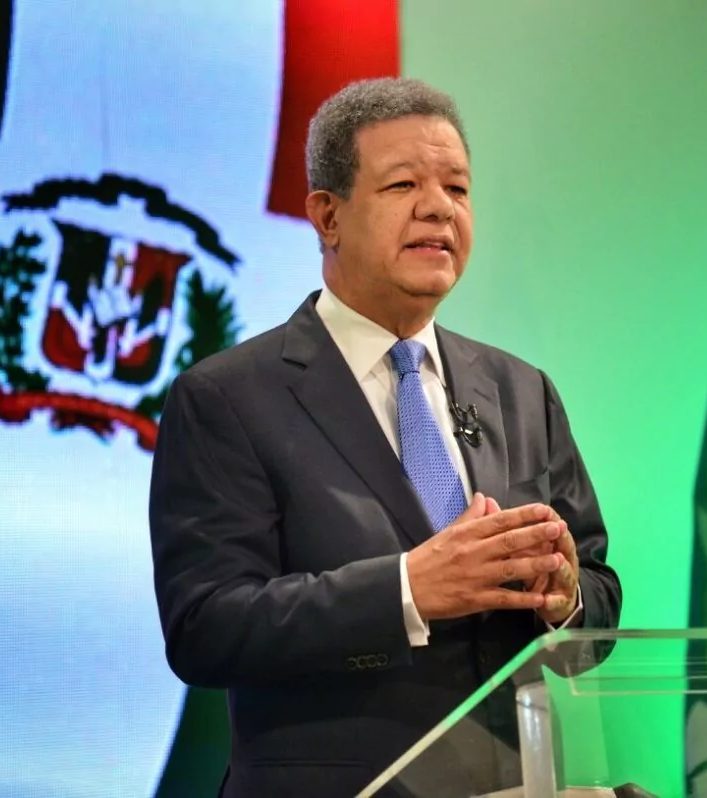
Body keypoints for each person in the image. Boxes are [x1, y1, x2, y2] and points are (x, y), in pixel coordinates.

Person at [148, 76, 622, 797]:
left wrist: (565, 598)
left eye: (457, 189)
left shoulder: (522, 391)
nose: (439, 207)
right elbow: (205, 627)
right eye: (404, 185)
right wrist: (407, 590)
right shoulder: (228, 398)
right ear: (327, 216)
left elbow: (598, 593)